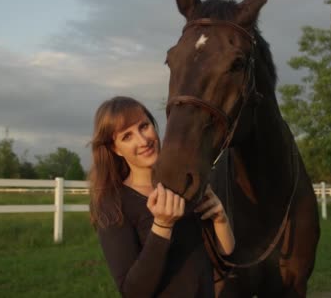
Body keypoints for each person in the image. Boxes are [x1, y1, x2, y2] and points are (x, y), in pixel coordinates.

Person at [89, 96, 235, 297]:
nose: (143, 140)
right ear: (115, 149)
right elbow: (133, 292)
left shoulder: (183, 185)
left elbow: (225, 262)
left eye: (144, 126)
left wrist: (221, 219)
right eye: (127, 136)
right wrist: (163, 226)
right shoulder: (113, 204)